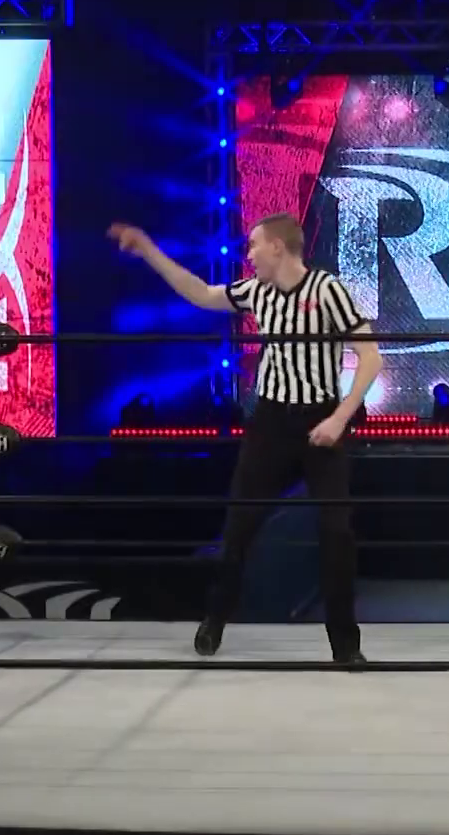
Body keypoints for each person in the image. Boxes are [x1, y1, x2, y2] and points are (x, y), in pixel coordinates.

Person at [110, 214, 383, 663]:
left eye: (255, 245)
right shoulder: (257, 291)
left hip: (322, 418)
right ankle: (215, 619)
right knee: (239, 527)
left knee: (336, 532)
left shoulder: (328, 290)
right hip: (272, 422)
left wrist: (339, 418)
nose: (249, 254)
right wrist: (149, 251)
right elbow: (201, 293)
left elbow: (370, 357)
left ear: (278, 246)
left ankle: (345, 645)